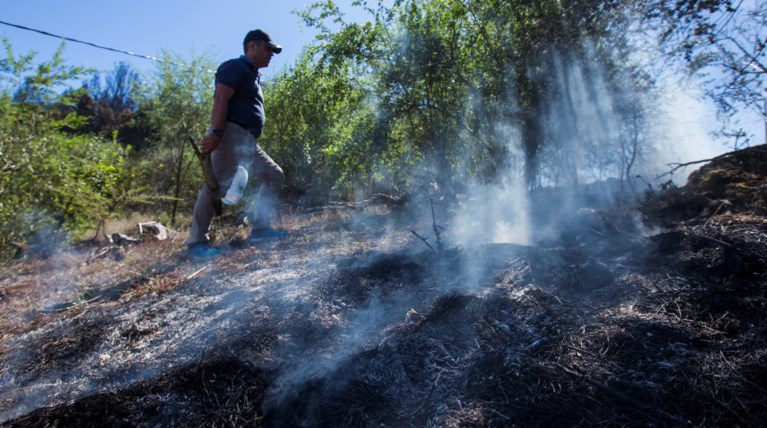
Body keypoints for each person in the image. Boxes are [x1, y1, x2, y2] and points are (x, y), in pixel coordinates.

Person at [187, 29, 286, 257]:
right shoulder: (235, 67)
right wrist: (217, 131)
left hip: (248, 141)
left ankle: (261, 230)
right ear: (252, 46)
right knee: (218, 185)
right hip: (230, 135)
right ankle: (196, 244)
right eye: (268, 48)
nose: (271, 54)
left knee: (274, 175)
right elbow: (221, 97)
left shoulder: (252, 75)